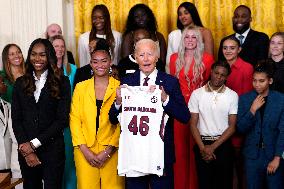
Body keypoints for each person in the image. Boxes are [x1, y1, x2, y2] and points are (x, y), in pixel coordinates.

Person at [109, 39, 190, 189]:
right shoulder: (127, 82)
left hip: (160, 155)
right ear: (135, 57)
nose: (146, 59)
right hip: (134, 155)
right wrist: (119, 102)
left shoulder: (169, 82)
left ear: (157, 57)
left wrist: (166, 99)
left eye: (150, 54)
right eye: (141, 54)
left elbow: (185, 116)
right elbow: (113, 119)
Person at [11, 38, 71, 189]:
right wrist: (27, 150)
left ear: (49, 56)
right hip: (26, 152)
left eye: (42, 55)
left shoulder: (62, 82)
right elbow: (16, 119)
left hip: (53, 150)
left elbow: (62, 120)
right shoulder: (20, 83)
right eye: (33, 54)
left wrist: (34, 144)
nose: (37, 59)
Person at [70, 39, 124, 189]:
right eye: (95, 62)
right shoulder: (81, 87)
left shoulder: (120, 87)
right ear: (91, 64)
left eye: (104, 61)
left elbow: (123, 122)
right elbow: (74, 119)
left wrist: (109, 150)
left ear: (110, 62)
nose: (99, 65)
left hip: (112, 150)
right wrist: (85, 151)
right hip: (84, 149)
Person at [169, 26, 214, 189]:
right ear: (182, 40)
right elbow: (173, 86)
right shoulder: (174, 59)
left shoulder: (207, 59)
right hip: (179, 109)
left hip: (199, 109)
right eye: (186, 37)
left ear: (198, 40)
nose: (190, 40)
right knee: (180, 151)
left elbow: (210, 84)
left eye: (193, 37)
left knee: (195, 148)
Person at [189, 61, 238, 189]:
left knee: (224, 184)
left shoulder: (232, 95)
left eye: (223, 75)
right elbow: (193, 124)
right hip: (202, 144)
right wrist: (203, 148)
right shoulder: (197, 94)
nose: (218, 77)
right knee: (204, 184)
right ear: (211, 72)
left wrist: (212, 148)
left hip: (223, 145)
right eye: (216, 73)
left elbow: (232, 126)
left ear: (227, 77)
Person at [237, 62, 284, 189]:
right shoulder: (244, 99)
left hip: (273, 155)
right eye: (254, 81)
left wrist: (277, 157)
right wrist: (252, 110)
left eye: (261, 81)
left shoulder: (281, 100)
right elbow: (240, 128)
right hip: (251, 156)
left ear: (270, 81)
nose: (257, 84)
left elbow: (282, 132)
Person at [221, 35, 253, 189]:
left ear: (239, 49)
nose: (228, 51)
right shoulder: (219, 67)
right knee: (226, 166)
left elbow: (247, 99)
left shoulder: (246, 68)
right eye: (225, 48)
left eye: (232, 48)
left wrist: (239, 123)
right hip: (221, 122)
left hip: (238, 121)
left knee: (239, 165)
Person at [49, 35, 77, 189]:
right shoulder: (46, 70)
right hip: (52, 120)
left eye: (61, 46)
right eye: (55, 46)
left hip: (70, 120)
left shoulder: (73, 69)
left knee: (69, 159)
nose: (59, 49)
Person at [1, 44, 25, 188]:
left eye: (18, 52)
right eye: (12, 54)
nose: (16, 56)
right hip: (9, 123)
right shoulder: (2, 78)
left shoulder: (30, 72)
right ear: (6, 58)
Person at [166, 2, 214, 73]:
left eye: (186, 13)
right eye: (180, 14)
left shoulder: (205, 32)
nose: (183, 16)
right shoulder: (173, 35)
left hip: (199, 74)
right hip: (177, 75)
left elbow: (210, 59)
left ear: (193, 14)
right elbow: (168, 63)